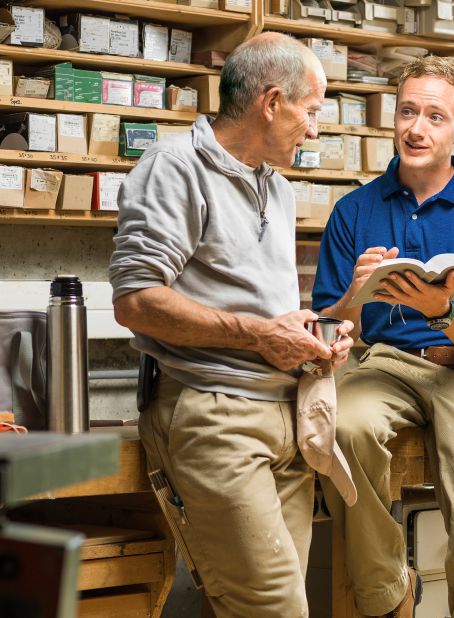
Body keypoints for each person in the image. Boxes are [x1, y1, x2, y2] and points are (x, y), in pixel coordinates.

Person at [109, 33, 354, 618]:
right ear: (272, 103)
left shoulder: (278, 185)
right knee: (273, 609)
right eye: (312, 111)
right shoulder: (175, 169)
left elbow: (258, 310)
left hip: (284, 415)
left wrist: (308, 330)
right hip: (216, 416)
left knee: (279, 603)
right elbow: (136, 300)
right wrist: (258, 335)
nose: (315, 130)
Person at [313, 56, 454, 617]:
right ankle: (388, 593)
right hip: (383, 364)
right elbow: (331, 328)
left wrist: (444, 313)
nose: (417, 128)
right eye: (408, 111)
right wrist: (354, 293)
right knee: (346, 425)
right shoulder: (353, 211)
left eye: (436, 116)